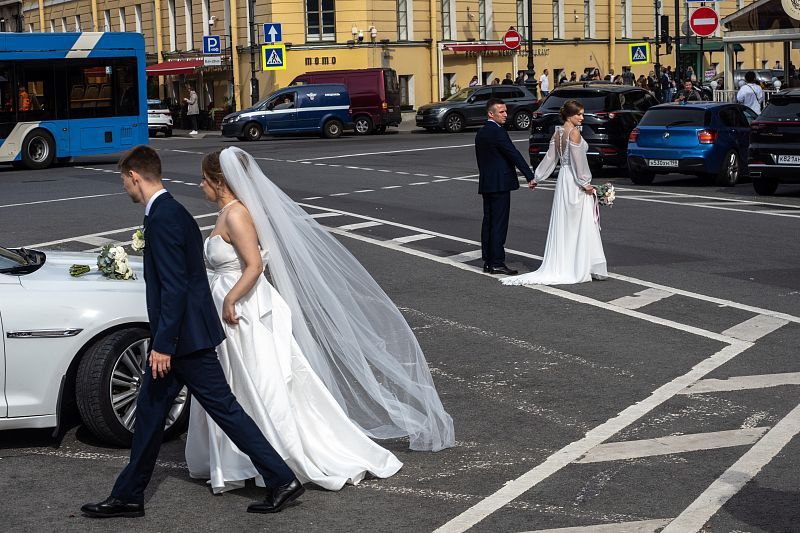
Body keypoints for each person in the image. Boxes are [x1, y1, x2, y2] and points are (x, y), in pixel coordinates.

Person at [81, 145, 303, 519]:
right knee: (151, 413)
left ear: (135, 176)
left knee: (225, 410)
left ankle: (281, 479)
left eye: (124, 180)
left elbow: (176, 287)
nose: (125, 188)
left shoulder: (165, 217)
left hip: (184, 342)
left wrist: (164, 345)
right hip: (184, 337)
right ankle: (129, 496)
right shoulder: (169, 212)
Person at [185, 149, 410, 494]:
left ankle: (271, 454)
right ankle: (241, 456)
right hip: (228, 308)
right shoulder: (227, 213)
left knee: (257, 380)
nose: (200, 185)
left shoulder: (237, 216)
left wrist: (230, 298)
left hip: (242, 311)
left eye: (204, 178)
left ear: (219, 181)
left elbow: (254, 266)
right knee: (235, 383)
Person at [501, 100, 607, 286]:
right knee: (578, 224)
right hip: (574, 181)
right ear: (569, 116)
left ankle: (568, 263)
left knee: (566, 224)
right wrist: (586, 183)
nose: (582, 118)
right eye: (579, 114)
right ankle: (577, 266)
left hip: (563, 181)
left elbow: (550, 159)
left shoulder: (557, 133)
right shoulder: (573, 133)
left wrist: (537, 177)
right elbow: (578, 162)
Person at [475, 98, 536, 275]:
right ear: (490, 114)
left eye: (506, 111)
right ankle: (497, 262)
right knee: (499, 225)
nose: (505, 115)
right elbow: (513, 154)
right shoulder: (498, 132)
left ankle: (488, 261)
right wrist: (529, 175)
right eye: (501, 112)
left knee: (489, 223)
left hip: (487, 183)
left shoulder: (481, 132)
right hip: (500, 184)